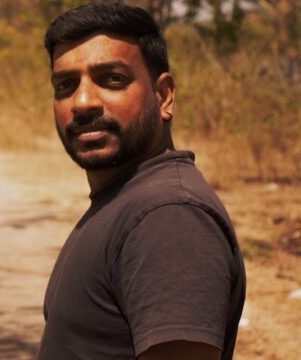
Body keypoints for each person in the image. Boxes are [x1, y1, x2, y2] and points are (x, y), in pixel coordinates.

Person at [36, 3, 246, 360]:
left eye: (112, 79)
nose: (83, 102)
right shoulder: (127, 198)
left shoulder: (168, 218)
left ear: (163, 96)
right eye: (66, 85)